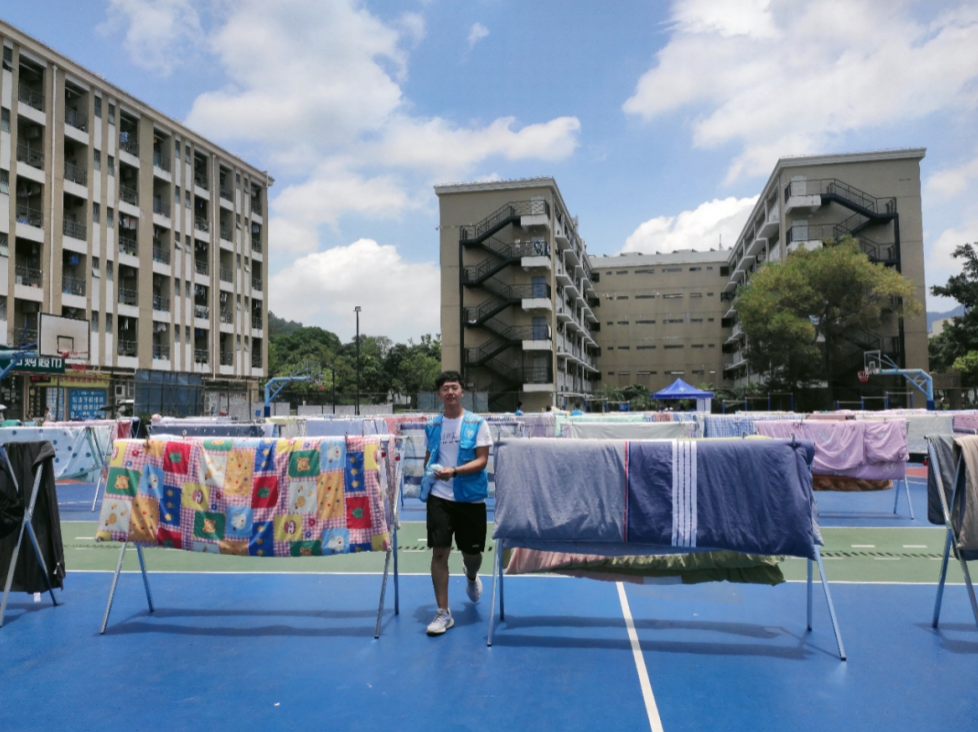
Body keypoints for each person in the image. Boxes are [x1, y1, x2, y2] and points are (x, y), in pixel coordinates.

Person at [421, 370, 493, 635]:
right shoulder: (432, 425)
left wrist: (454, 471)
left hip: (470, 498)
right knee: (439, 552)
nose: (449, 392)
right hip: (440, 496)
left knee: (471, 554)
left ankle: (471, 575)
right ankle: (443, 613)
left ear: (463, 392)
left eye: (454, 387)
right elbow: (429, 457)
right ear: (439, 394)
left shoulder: (477, 423)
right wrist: (431, 475)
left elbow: (482, 460)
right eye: (444, 388)